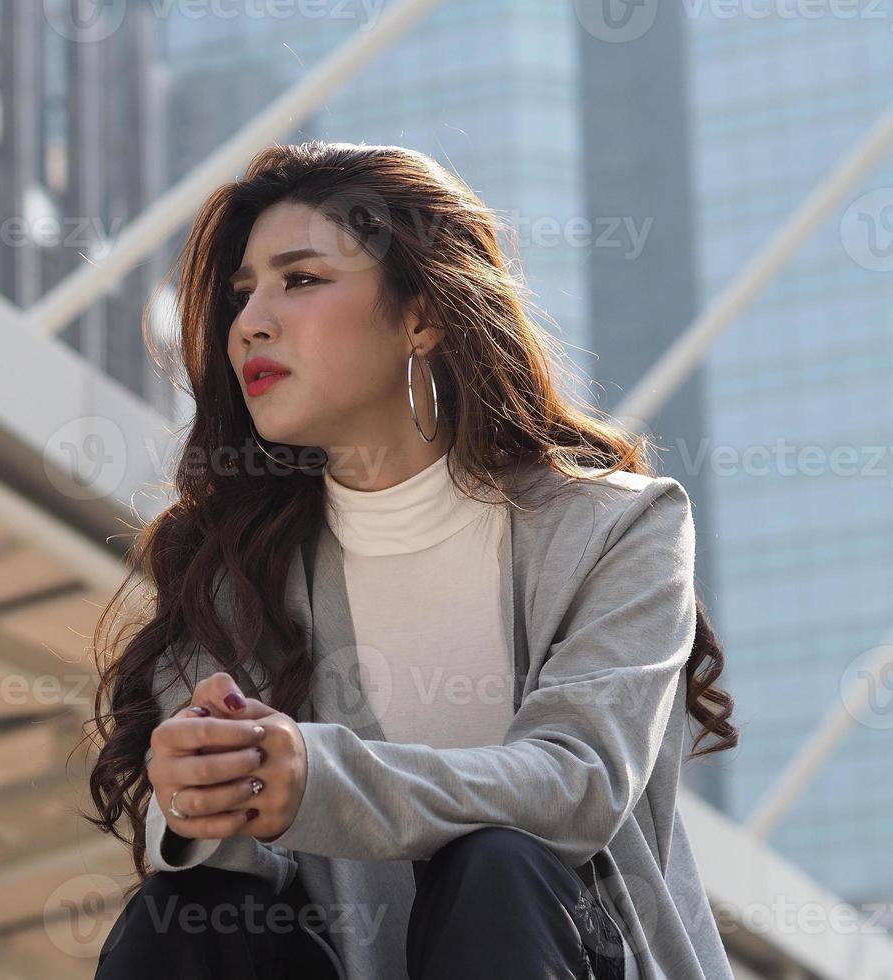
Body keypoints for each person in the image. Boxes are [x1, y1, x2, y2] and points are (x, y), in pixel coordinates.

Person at [83, 140, 738, 979]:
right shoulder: (232, 569)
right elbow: (255, 896)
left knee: (497, 863)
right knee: (186, 910)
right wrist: (203, 796)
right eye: (244, 293)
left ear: (422, 315)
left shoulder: (618, 528)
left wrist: (315, 778)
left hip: (567, 952)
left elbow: (579, 786)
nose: (250, 320)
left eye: (302, 279)